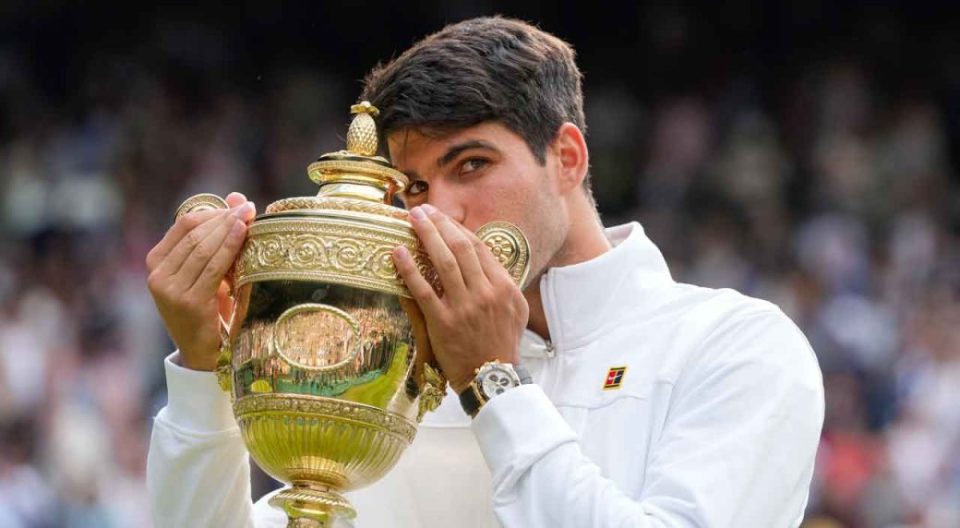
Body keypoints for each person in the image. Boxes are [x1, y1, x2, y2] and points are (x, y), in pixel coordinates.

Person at [146, 16, 824, 527]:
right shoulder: (394, 375)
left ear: (567, 157)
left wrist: (494, 386)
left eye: (471, 166)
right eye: (413, 189)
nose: (439, 214)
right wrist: (203, 372)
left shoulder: (737, 345)